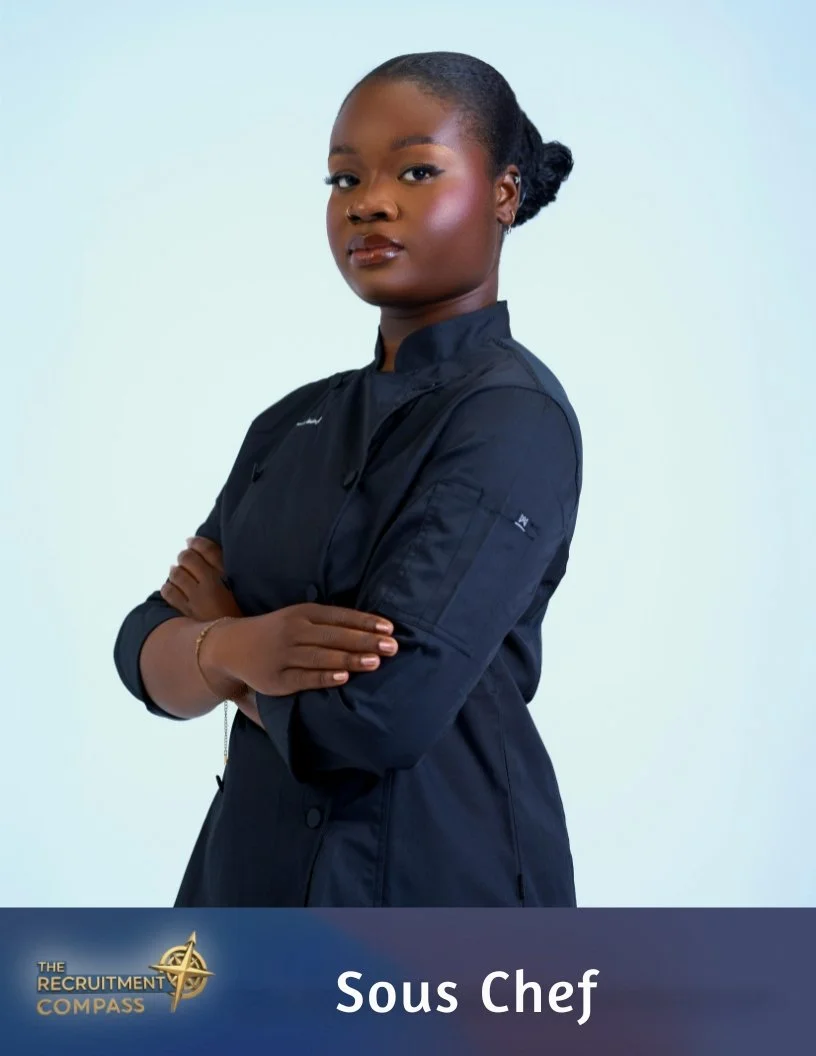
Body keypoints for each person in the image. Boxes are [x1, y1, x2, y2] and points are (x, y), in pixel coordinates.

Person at [114, 51, 582, 907]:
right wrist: (242, 646)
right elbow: (142, 648)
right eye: (342, 179)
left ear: (504, 193)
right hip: (244, 890)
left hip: (434, 898)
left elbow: (375, 718)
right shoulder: (290, 423)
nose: (367, 201)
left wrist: (217, 649)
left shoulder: (514, 420)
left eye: (416, 170)